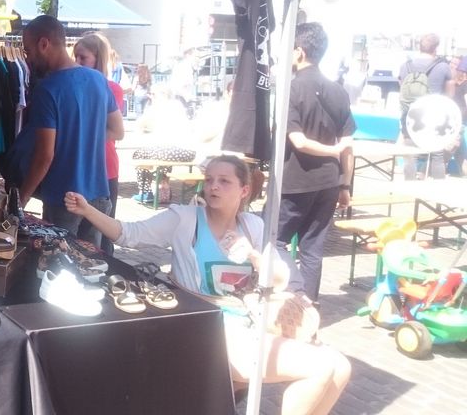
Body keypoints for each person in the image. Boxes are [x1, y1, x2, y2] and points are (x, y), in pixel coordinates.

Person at [65, 155, 351, 415]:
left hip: (246, 325)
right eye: (209, 179)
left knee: (341, 367)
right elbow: (129, 234)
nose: (213, 186)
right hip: (205, 328)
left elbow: (280, 279)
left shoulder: (253, 226)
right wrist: (88, 210)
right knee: (322, 366)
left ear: (244, 190)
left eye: (224, 181)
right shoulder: (185, 219)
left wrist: (253, 256)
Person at [14, 15, 123, 242]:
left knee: (58, 261)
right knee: (90, 262)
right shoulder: (98, 80)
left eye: (28, 50)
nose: (27, 58)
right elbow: (117, 131)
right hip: (98, 195)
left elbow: (45, 156)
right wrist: (84, 141)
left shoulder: (48, 89)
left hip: (64, 199)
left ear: (44, 44)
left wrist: (21, 201)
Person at [276, 22, 355, 302]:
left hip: (295, 180)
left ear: (299, 51)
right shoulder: (338, 91)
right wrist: (345, 185)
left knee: (272, 241)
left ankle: (294, 296)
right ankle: (309, 304)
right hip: (330, 182)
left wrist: (332, 151)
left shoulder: (292, 89)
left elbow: (298, 142)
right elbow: (348, 147)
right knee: (312, 249)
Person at [73, 33, 126, 252]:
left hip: (104, 167)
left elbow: (116, 131)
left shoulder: (112, 88)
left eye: (83, 57)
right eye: (75, 56)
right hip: (78, 166)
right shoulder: (73, 84)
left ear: (98, 58)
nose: (77, 62)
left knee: (103, 234)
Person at [399, 33, 455, 180]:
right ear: (436, 48)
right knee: (437, 154)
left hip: (410, 116)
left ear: (420, 46)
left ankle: (409, 187)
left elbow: (402, 90)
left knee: (410, 155)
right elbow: (450, 95)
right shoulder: (443, 67)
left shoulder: (405, 66)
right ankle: (437, 189)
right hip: (434, 115)